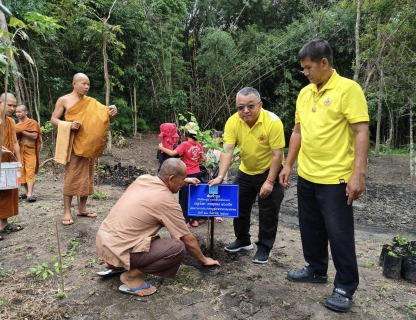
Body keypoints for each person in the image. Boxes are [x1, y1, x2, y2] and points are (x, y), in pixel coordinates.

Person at [279, 39, 370, 313]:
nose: (305, 73)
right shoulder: (305, 94)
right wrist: (287, 165)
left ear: (324, 63)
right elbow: (297, 132)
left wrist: (358, 174)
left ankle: (345, 286)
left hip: (336, 178)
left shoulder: (348, 90)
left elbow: (361, 132)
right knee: (311, 227)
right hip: (308, 174)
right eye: (303, 69)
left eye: (308, 68)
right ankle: (316, 269)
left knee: (339, 234)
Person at [95, 158, 220, 296]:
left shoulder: (143, 179)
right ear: (171, 178)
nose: (183, 182)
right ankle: (130, 277)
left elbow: (165, 180)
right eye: (183, 178)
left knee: (132, 233)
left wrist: (184, 181)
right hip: (120, 247)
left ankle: (113, 264)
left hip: (104, 242)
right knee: (177, 248)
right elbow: (187, 239)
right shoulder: (167, 202)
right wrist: (204, 259)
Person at [209, 87, 285, 264]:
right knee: (239, 207)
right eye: (240, 107)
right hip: (245, 171)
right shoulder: (233, 122)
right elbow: (227, 150)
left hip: (269, 170)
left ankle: (264, 247)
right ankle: (243, 240)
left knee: (268, 212)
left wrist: (269, 181)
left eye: (250, 106)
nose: (245, 111)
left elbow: (277, 154)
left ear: (260, 104)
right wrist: (220, 176)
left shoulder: (273, 122)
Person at [50, 73, 117, 226]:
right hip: (73, 144)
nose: (86, 87)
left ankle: (82, 208)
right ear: (74, 83)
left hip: (88, 145)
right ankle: (67, 211)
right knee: (71, 177)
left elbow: (103, 116)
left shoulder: (91, 102)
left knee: (87, 176)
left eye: (88, 84)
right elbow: (54, 119)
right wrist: (68, 124)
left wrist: (112, 112)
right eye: (83, 83)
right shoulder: (64, 100)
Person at [158, 122, 206, 228]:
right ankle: (196, 220)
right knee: (195, 196)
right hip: (197, 173)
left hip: (187, 175)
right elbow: (204, 159)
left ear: (186, 134)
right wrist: (197, 160)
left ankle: (186, 221)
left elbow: (172, 154)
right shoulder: (198, 145)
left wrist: (161, 148)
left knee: (184, 198)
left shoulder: (184, 144)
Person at [0, 93, 23, 241]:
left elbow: (15, 142)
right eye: (9, 105)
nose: (12, 108)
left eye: (14, 105)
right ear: (0, 103)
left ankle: (4, 223)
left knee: (8, 191)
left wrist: (19, 161)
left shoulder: (10, 121)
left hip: (8, 162)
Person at [15, 105, 42, 202]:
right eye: (16, 112)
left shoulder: (32, 122)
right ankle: (27, 193)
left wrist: (22, 130)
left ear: (26, 112)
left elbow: (34, 136)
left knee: (30, 170)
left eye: (20, 111)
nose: (18, 114)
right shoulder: (16, 125)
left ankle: (30, 193)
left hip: (30, 150)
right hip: (20, 150)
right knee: (22, 171)